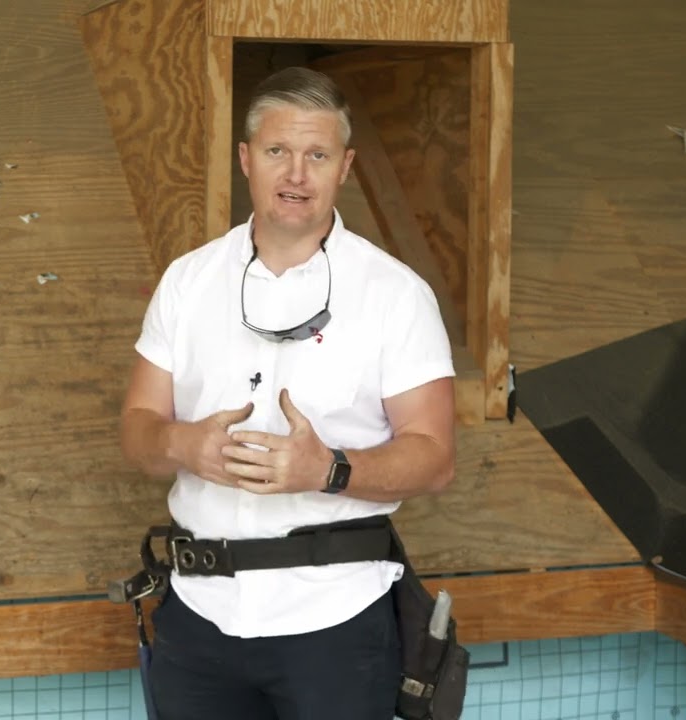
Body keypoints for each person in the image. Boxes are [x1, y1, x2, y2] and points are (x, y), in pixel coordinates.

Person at [117, 66, 458, 720]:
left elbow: (435, 458)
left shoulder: (396, 295)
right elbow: (137, 426)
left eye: (317, 155)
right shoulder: (188, 282)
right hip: (198, 613)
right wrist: (183, 444)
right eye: (278, 151)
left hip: (335, 619)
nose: (296, 173)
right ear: (246, 159)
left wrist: (328, 470)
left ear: (345, 167)